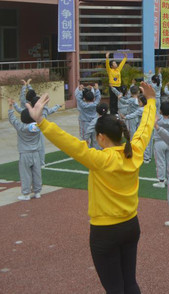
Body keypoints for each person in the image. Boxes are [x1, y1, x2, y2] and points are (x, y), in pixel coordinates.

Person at [27, 82, 156, 293]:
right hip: (131, 225)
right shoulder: (135, 151)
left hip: (105, 231)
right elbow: (145, 126)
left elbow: (69, 143)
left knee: (114, 288)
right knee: (130, 283)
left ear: (101, 137)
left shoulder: (100, 159)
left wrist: (41, 121)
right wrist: (151, 101)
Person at [8, 101, 43, 200]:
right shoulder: (38, 126)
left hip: (25, 153)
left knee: (25, 174)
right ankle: (37, 192)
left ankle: (26, 194)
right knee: (37, 173)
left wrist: (10, 106)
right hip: (36, 153)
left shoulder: (21, 127)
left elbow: (12, 119)